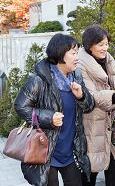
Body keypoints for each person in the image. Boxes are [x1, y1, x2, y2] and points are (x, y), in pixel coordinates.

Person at [14, 33, 95, 186]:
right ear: (60, 53)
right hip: (46, 152)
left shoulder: (76, 77)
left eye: (77, 52)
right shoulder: (39, 80)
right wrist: (48, 117)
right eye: (73, 52)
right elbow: (20, 106)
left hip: (71, 151)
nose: (77, 56)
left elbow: (89, 107)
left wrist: (81, 96)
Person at [78, 25, 115, 186]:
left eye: (106, 43)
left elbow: (109, 86)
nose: (105, 48)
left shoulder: (106, 59)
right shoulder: (81, 64)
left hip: (110, 123)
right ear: (90, 45)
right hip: (92, 123)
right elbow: (91, 95)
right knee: (91, 170)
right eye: (100, 44)